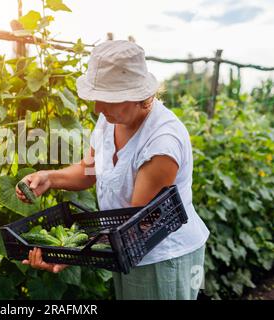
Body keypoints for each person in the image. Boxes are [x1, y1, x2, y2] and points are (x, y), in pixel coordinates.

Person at [15, 40, 210, 300]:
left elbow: (135, 226)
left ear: (137, 96)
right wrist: (48, 178)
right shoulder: (111, 120)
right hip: (123, 250)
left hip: (162, 258)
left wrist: (72, 253)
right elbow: (89, 169)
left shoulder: (162, 143)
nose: (97, 108)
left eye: (106, 99)